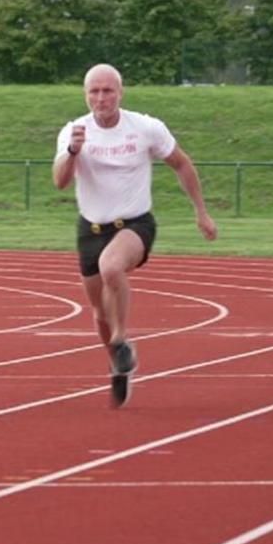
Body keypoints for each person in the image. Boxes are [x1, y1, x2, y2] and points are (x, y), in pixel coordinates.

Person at [53, 63, 218, 408]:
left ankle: (122, 338)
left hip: (134, 225)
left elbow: (182, 164)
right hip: (91, 228)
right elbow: (60, 181)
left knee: (111, 266)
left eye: (108, 90)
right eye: (95, 92)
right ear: (86, 95)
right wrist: (71, 152)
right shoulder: (74, 131)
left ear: (120, 92)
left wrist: (201, 211)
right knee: (98, 311)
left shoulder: (145, 127)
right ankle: (117, 363)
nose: (102, 98)